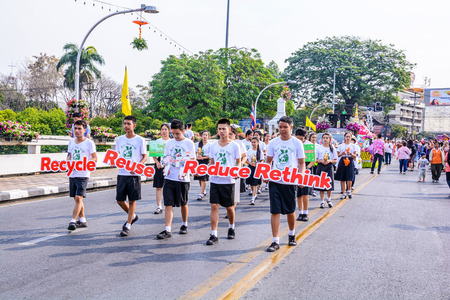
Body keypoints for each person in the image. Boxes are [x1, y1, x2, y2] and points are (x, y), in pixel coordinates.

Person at [265, 116, 306, 252]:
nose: (282, 130)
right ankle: (275, 241)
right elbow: (268, 161)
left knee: (290, 210)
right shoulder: (273, 143)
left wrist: (301, 177)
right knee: (275, 210)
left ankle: (291, 234)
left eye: (285, 127)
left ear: (291, 127)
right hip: (275, 181)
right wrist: (265, 174)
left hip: (290, 181)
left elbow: (301, 163)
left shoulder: (296, 143)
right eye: (280, 127)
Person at [157, 119, 195, 239]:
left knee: (183, 203)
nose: (175, 136)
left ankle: (184, 224)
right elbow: (166, 157)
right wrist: (165, 165)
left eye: (178, 133)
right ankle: (167, 229)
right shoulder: (169, 143)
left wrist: (185, 172)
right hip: (169, 177)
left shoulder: (189, 143)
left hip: (182, 178)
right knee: (168, 203)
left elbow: (192, 160)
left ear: (183, 131)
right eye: (173, 133)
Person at [205, 118, 241, 245]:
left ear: (229, 129)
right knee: (214, 206)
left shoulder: (235, 145)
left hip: (228, 180)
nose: (221, 131)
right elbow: (212, 162)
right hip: (215, 180)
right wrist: (205, 169)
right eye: (219, 129)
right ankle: (214, 234)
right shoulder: (213, 145)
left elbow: (238, 161)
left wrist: (237, 170)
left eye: (224, 129)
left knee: (229, 207)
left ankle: (231, 227)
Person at [115, 116, 148, 237]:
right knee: (120, 200)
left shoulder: (140, 140)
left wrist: (138, 166)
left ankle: (128, 225)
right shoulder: (119, 140)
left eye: (128, 124)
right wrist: (114, 162)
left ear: (134, 125)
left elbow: (144, 156)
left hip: (134, 174)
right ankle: (133, 216)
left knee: (132, 200)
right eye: (124, 124)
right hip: (122, 173)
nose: (126, 126)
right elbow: (117, 155)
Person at [67, 120, 97, 231]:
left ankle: (73, 221)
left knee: (79, 197)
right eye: (75, 128)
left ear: (85, 130)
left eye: (80, 129)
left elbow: (94, 158)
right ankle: (83, 220)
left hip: (83, 174)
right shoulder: (71, 142)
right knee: (77, 199)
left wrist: (83, 164)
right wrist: (68, 163)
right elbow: (70, 156)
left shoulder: (89, 143)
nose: (77, 131)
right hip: (72, 173)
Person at [295, 128, 313, 221]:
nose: (299, 141)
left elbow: (312, 160)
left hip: (305, 170)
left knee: (305, 193)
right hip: (295, 171)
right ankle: (300, 212)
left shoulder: (309, 145)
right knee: (298, 194)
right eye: (298, 138)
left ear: (304, 138)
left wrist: (307, 168)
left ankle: (306, 212)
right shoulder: (293, 144)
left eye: (301, 139)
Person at [152, 123, 171, 214]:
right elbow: (154, 155)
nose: (164, 131)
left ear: (169, 130)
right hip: (159, 166)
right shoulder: (157, 141)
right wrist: (157, 163)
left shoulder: (172, 142)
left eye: (165, 129)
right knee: (159, 187)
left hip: (169, 166)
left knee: (168, 186)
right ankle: (159, 206)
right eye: (162, 129)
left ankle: (169, 204)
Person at [315, 132, 337, 209]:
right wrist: (321, 161)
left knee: (329, 184)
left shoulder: (332, 148)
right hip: (321, 167)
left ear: (330, 139)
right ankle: (322, 201)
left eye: (327, 138)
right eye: (324, 138)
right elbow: (315, 159)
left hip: (329, 167)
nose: (325, 139)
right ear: (321, 139)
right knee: (321, 185)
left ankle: (329, 199)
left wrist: (329, 161)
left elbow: (335, 160)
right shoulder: (318, 148)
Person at [335, 132, 357, 199]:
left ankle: (349, 191)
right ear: (344, 137)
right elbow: (337, 155)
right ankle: (344, 192)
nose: (347, 138)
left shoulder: (353, 146)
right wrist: (342, 153)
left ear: (351, 138)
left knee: (349, 177)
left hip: (350, 160)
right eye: (346, 137)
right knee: (342, 178)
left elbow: (355, 156)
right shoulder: (341, 146)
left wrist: (350, 153)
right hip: (343, 160)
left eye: (349, 137)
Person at [194, 130, 211, 201]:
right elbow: (194, 153)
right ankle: (203, 191)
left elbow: (210, 155)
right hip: (198, 161)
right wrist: (196, 158)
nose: (204, 136)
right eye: (203, 135)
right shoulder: (198, 144)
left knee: (203, 178)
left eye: (206, 135)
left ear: (208, 136)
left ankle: (201, 193)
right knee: (199, 178)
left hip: (205, 162)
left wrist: (203, 157)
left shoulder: (210, 145)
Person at [247, 137, 263, 205]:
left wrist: (258, 164)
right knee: (251, 183)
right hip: (251, 167)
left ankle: (253, 198)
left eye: (254, 142)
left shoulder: (260, 151)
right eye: (252, 142)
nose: (253, 144)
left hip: (257, 168)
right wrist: (251, 163)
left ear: (258, 142)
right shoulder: (249, 150)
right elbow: (246, 159)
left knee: (255, 183)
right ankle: (254, 194)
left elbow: (262, 160)